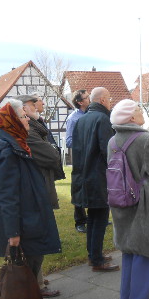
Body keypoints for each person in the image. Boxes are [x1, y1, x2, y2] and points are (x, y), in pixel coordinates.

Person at [0, 99, 61, 299]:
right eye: (24, 116)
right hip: (22, 218)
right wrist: (12, 232)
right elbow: (6, 195)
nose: (27, 119)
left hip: (31, 212)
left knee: (35, 258)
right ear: (14, 119)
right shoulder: (7, 148)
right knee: (24, 263)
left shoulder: (17, 140)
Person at [109, 100, 149, 299]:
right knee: (145, 249)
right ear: (131, 118)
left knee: (129, 248)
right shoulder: (145, 139)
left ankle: (126, 297)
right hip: (143, 200)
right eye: (137, 110)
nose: (141, 112)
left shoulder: (113, 140)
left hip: (119, 198)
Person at [16, 94, 63, 298]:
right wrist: (52, 149)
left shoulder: (36, 126)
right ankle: (34, 290)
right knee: (35, 244)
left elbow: (53, 151)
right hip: (36, 192)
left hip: (41, 187)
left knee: (37, 243)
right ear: (25, 109)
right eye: (35, 104)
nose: (39, 106)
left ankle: (37, 285)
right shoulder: (30, 132)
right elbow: (52, 155)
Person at [71, 87, 119, 272]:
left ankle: (93, 255)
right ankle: (97, 260)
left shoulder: (81, 120)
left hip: (83, 176)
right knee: (99, 219)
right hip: (98, 177)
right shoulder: (102, 119)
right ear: (102, 100)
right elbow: (108, 151)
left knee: (92, 218)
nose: (110, 102)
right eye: (109, 99)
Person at [65, 89, 90, 233]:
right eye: (87, 98)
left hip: (92, 158)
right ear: (80, 102)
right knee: (79, 190)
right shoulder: (73, 118)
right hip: (80, 159)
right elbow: (69, 141)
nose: (89, 99)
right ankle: (80, 221)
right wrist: (86, 142)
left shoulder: (92, 115)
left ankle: (96, 218)